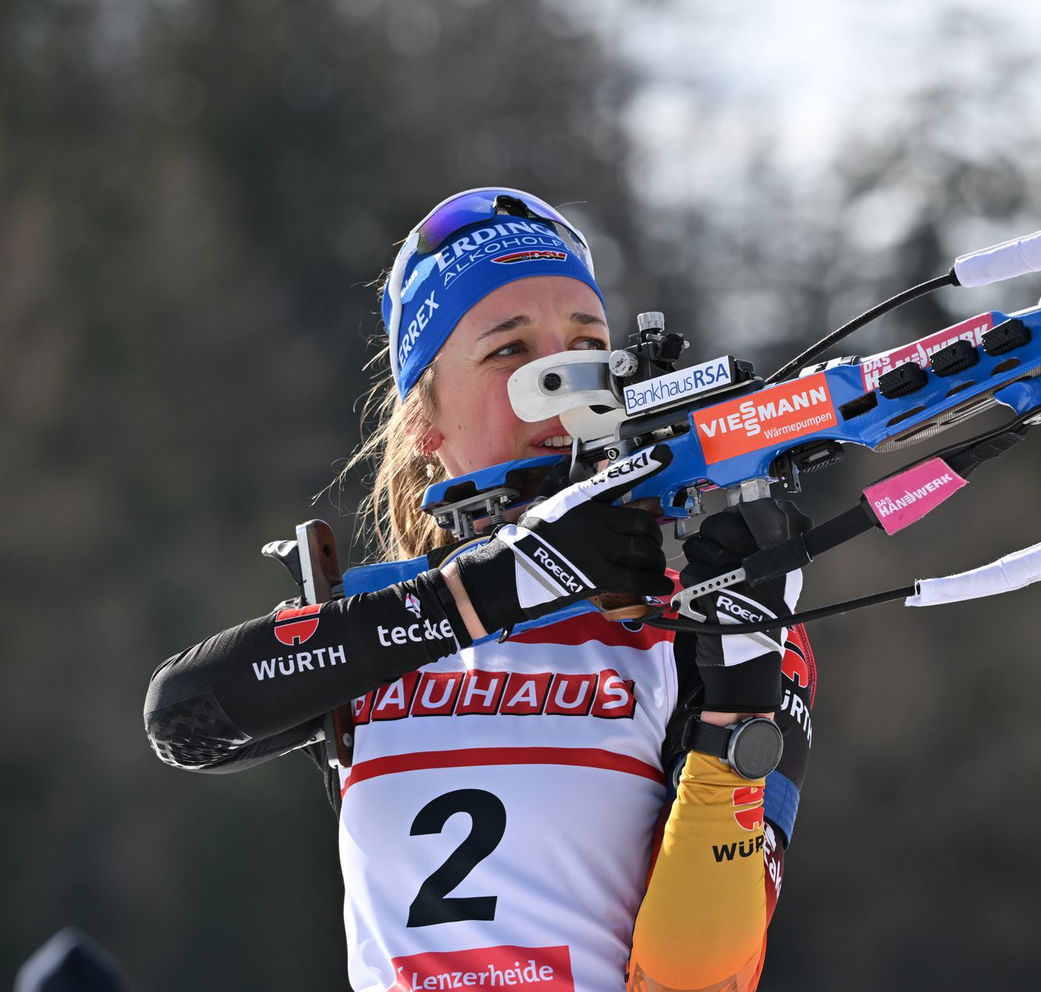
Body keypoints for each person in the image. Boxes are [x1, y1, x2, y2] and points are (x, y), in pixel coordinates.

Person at [144, 188, 818, 992]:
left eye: (588, 344)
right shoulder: (379, 615)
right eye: (510, 352)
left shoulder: (686, 624)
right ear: (425, 419)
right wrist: (499, 590)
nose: (562, 384)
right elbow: (185, 718)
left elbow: (700, 978)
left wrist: (737, 707)